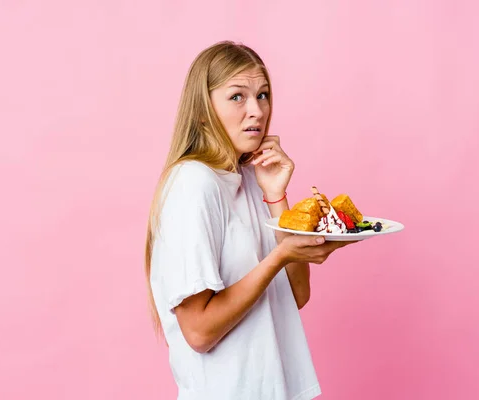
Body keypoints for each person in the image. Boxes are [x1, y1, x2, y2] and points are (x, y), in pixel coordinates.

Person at [144, 41, 351, 400]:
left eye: (263, 94)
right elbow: (199, 332)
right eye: (237, 97)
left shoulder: (251, 176)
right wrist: (280, 256)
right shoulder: (194, 183)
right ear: (203, 111)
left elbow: (297, 294)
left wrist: (275, 195)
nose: (257, 110)